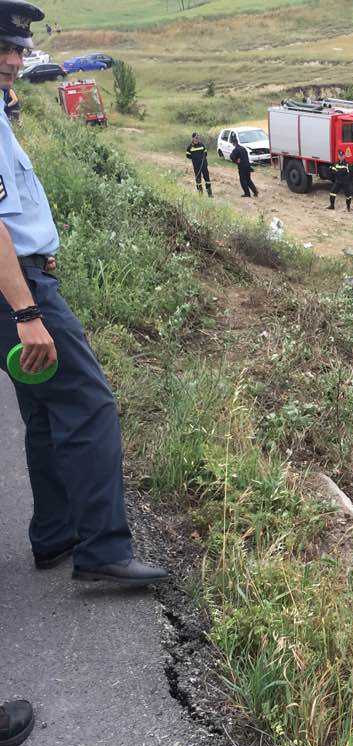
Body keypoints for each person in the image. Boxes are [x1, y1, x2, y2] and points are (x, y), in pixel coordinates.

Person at [0, 1, 169, 585]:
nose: (12, 59)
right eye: (2, 47)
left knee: (45, 408)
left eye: (18, 48)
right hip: (17, 286)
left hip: (22, 277)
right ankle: (102, 550)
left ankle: (56, 534)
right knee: (90, 405)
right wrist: (26, 310)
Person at [185, 131, 212, 197]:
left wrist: (203, 161)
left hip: (204, 165)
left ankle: (210, 193)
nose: (197, 139)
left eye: (198, 138)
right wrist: (195, 159)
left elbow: (205, 153)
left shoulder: (202, 145)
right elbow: (188, 155)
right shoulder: (190, 147)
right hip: (196, 166)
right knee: (198, 180)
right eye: (196, 138)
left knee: (207, 179)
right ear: (193, 138)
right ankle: (200, 194)